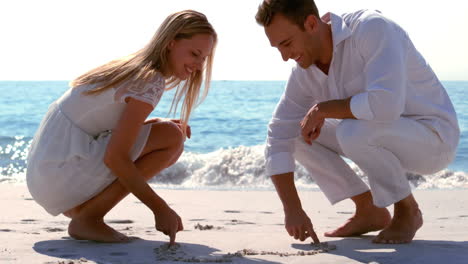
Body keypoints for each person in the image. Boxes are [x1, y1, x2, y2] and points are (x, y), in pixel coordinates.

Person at [255, 0, 459, 244]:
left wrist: (324, 109)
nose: (285, 56)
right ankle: (368, 209)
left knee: (353, 131)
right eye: (278, 47)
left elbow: (386, 104)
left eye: (287, 44)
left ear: (310, 23)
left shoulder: (372, 28)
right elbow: (278, 134)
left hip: (433, 138)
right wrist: (292, 209)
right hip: (379, 135)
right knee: (298, 132)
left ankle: (407, 210)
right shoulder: (304, 71)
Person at [26, 10, 217, 245]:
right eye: (194, 54)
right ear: (171, 43)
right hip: (60, 172)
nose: (198, 65)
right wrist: (160, 208)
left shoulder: (133, 68)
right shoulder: (151, 80)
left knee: (168, 131)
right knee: (172, 138)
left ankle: (86, 212)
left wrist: (156, 124)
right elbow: (115, 157)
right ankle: (89, 218)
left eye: (204, 58)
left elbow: (103, 128)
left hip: (47, 173)